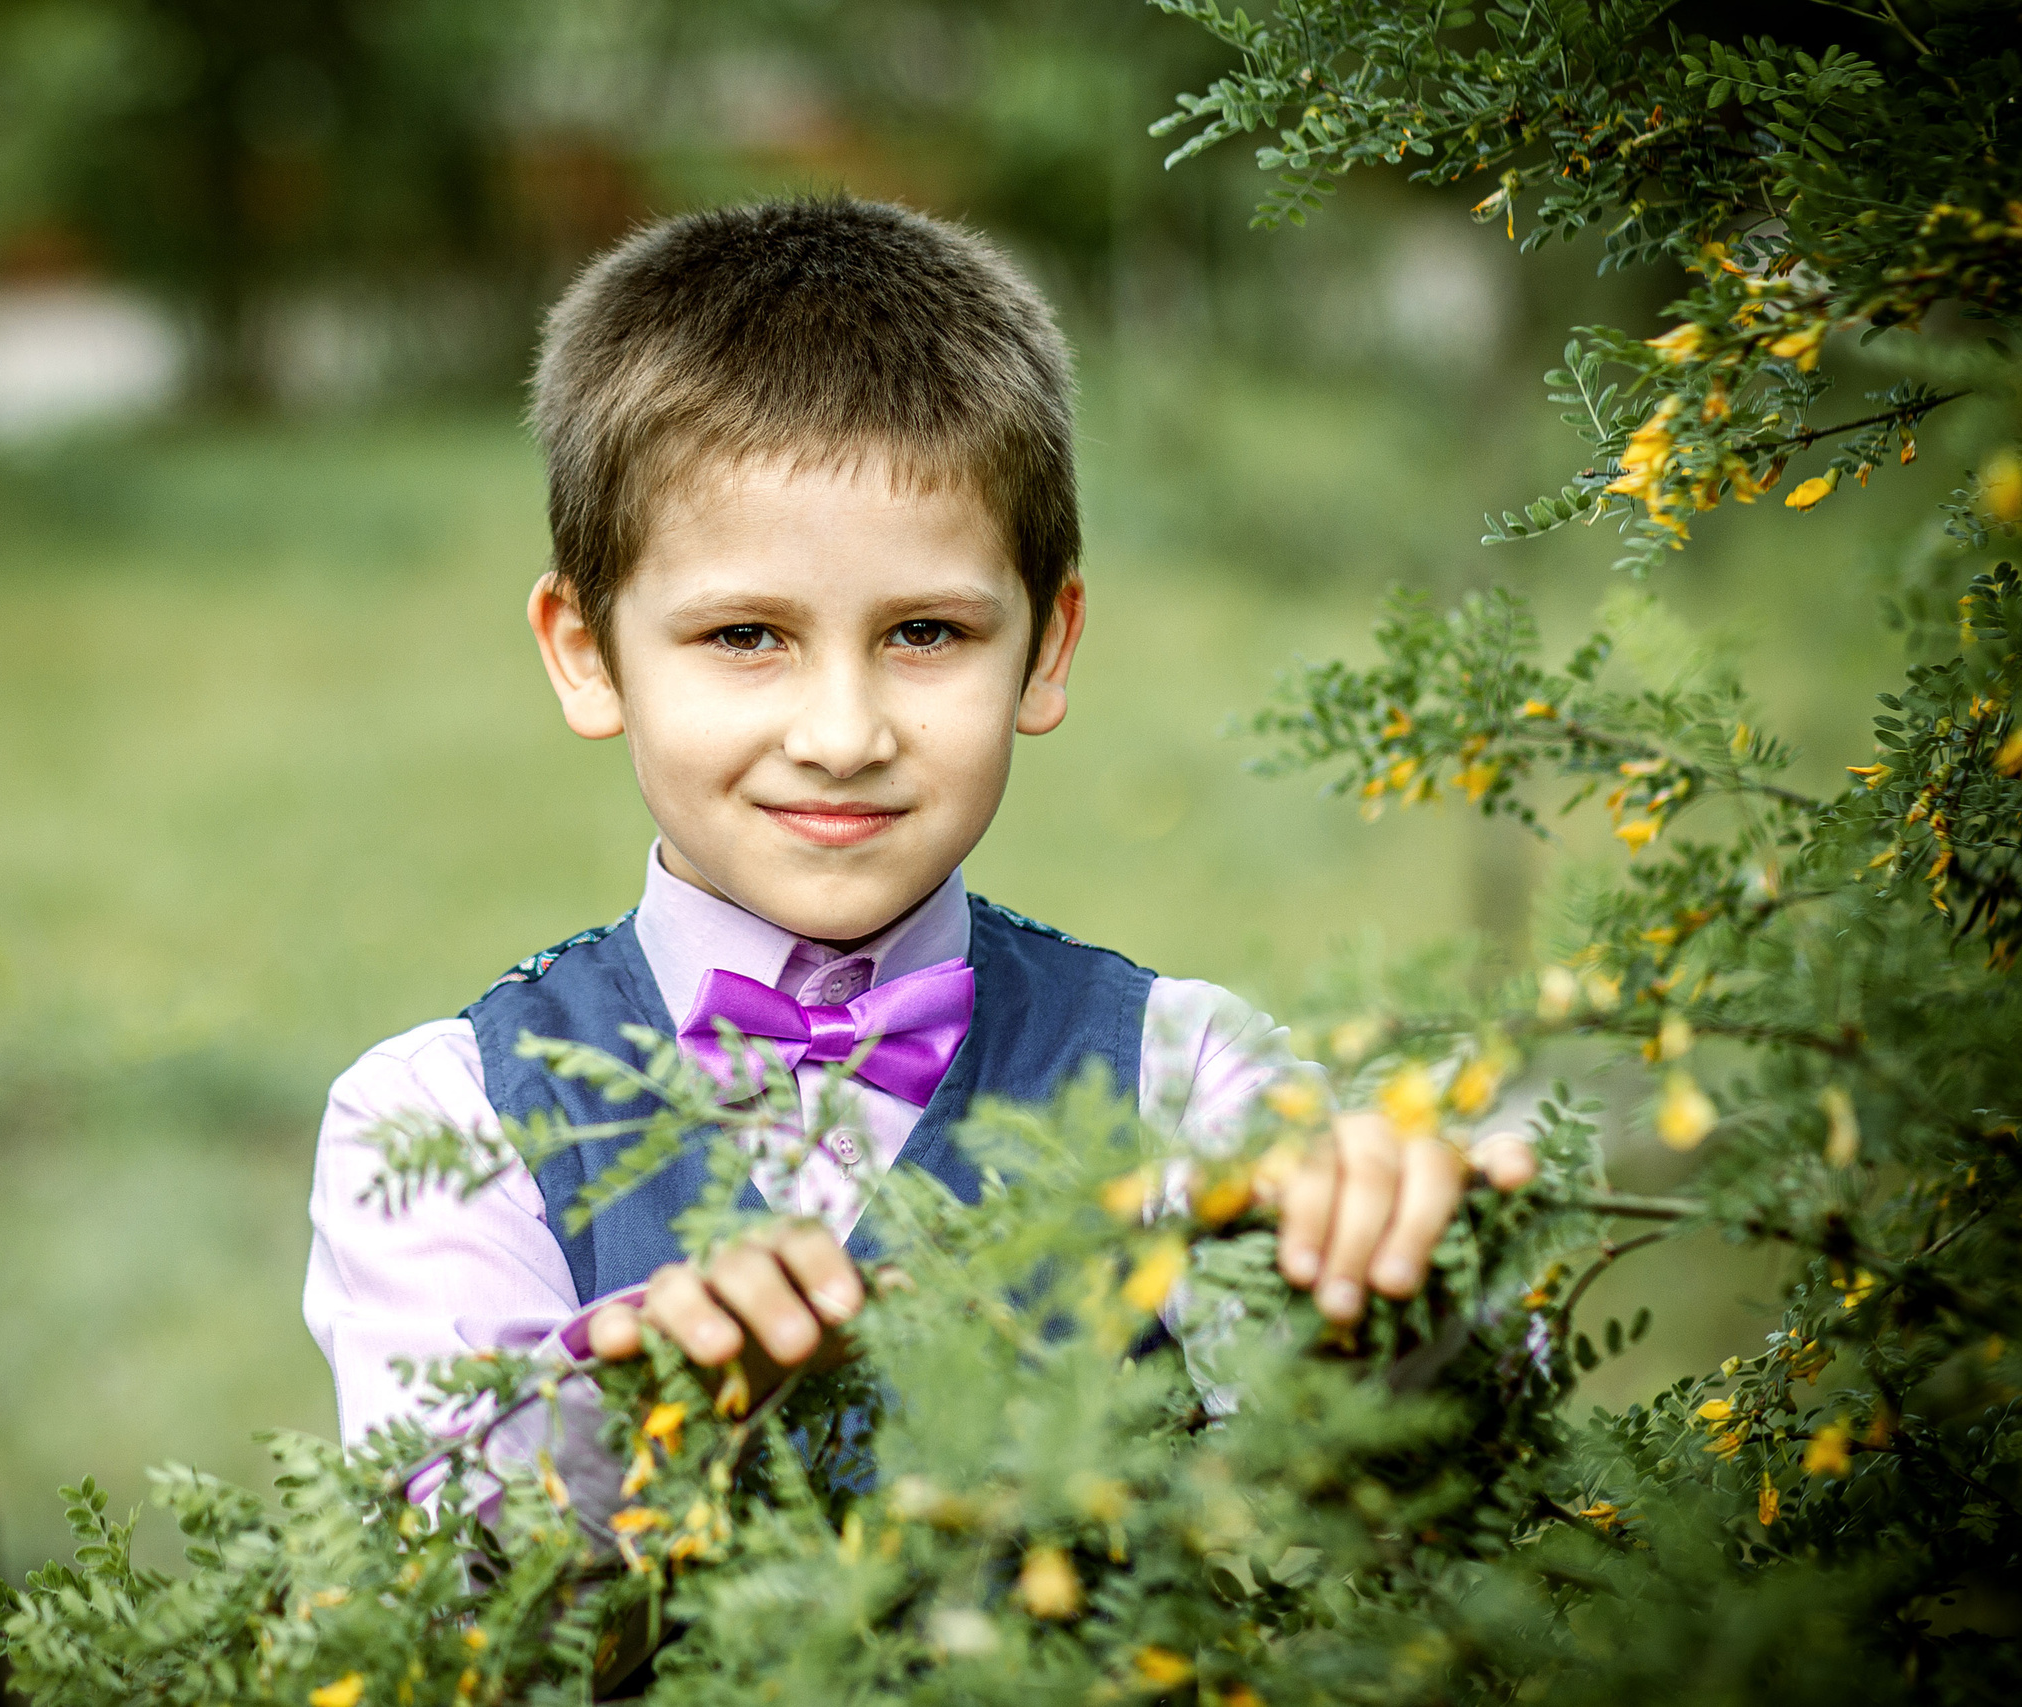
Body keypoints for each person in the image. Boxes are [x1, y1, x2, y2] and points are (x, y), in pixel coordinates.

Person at [302, 196, 1534, 1470]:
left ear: (1046, 648)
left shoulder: (1180, 1076)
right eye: (744, 637)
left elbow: (1380, 1463)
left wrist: (1393, 1290)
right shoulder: (443, 1118)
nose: (842, 734)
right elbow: (442, 1575)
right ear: (586, 653)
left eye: (925, 633)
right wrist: (639, 1422)